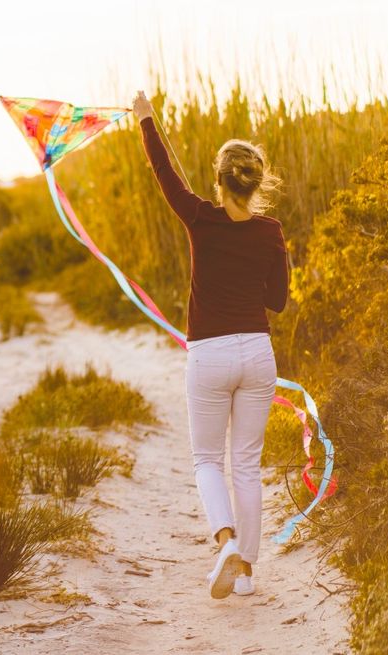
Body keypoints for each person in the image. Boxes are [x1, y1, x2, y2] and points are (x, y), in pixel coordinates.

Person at [133, 90, 288, 600]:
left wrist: (147, 121)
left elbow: (164, 176)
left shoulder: (199, 217)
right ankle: (245, 572)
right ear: (258, 181)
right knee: (247, 464)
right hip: (257, 354)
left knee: (207, 461)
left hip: (209, 355)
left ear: (218, 180)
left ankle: (225, 540)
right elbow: (279, 302)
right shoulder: (271, 231)